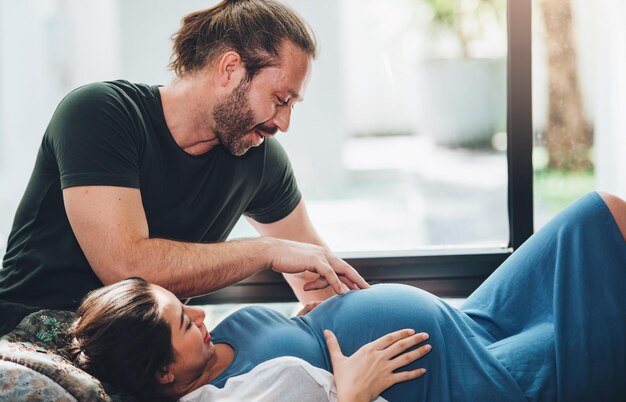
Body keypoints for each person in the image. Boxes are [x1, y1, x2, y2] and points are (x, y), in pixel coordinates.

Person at [0, 0, 368, 335]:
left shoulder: (261, 160)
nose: (284, 123)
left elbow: (315, 274)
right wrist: (266, 251)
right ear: (230, 69)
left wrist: (339, 333)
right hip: (31, 337)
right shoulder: (100, 114)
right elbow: (127, 269)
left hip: (142, 363)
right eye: (280, 99)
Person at [68, 191, 626, 402]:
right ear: (165, 373)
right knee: (607, 327)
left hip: (468, 323)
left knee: (597, 216)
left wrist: (316, 319)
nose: (198, 312)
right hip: (473, 382)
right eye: (183, 324)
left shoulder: (215, 349)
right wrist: (352, 398)